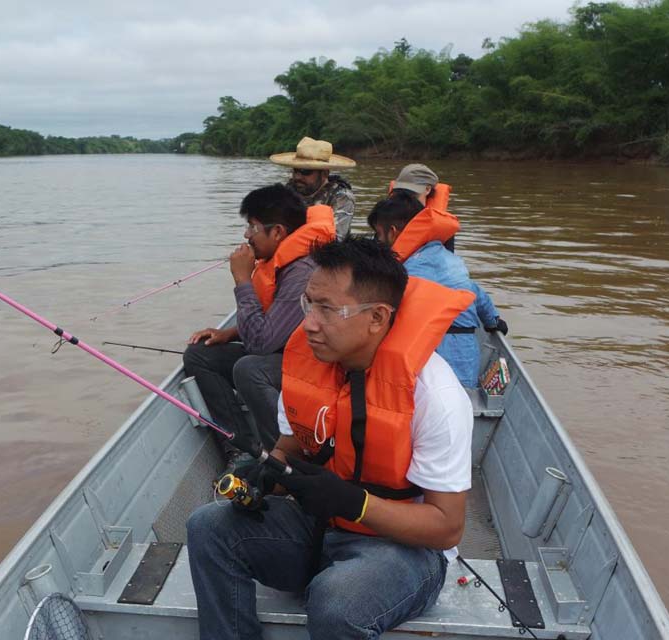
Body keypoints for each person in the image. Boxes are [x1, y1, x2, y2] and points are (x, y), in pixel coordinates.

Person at [187, 237, 475, 640]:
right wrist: (267, 470)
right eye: (308, 303)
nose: (308, 323)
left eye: (327, 309)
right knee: (209, 527)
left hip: (403, 551)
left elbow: (446, 528)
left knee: (335, 601)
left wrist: (352, 503)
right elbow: (290, 446)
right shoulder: (310, 364)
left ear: (377, 317)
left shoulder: (436, 396)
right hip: (320, 527)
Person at [184, 184, 335, 472]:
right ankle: (240, 447)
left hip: (313, 365)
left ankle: (280, 462)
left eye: (252, 227)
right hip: (283, 352)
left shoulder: (302, 270)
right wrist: (229, 333)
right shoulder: (281, 262)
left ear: (277, 232)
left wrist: (242, 279)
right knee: (199, 354)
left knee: (250, 368)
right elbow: (272, 321)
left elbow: (261, 344)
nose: (246, 236)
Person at [368, 193, 508, 388]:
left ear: (392, 232)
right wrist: (493, 321)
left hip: (429, 363)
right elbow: (475, 291)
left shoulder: (404, 272)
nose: (378, 241)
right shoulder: (450, 259)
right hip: (467, 363)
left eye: (378, 235)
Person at [270, 136, 356, 239]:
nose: (297, 177)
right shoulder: (288, 192)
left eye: (305, 172)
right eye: (296, 170)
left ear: (324, 173)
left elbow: (336, 239)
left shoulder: (341, 197)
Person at [389, 163, 456, 252]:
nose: (405, 200)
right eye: (400, 193)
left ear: (427, 189)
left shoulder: (443, 226)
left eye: (411, 194)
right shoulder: (386, 218)